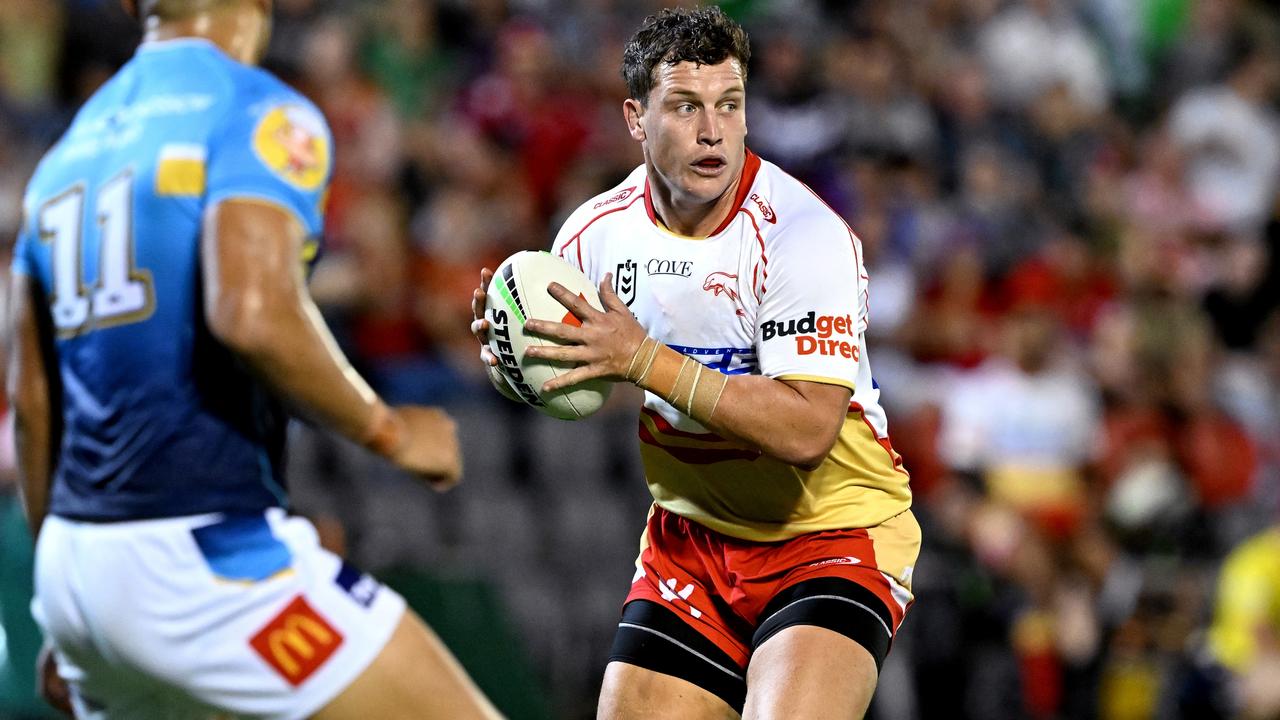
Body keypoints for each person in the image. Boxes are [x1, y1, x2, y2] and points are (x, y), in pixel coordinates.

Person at [6, 1, 501, 718]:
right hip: (205, 561)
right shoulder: (259, 111)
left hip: (75, 573)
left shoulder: (60, 157)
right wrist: (389, 430)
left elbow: (30, 402)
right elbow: (251, 314)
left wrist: (66, 605)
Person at [471, 7, 918, 719]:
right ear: (635, 119)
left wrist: (643, 358)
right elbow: (587, 378)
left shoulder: (804, 236)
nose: (713, 130)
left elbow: (807, 432)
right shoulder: (592, 237)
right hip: (691, 542)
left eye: (729, 105)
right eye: (685, 106)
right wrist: (520, 366)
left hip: (829, 536)